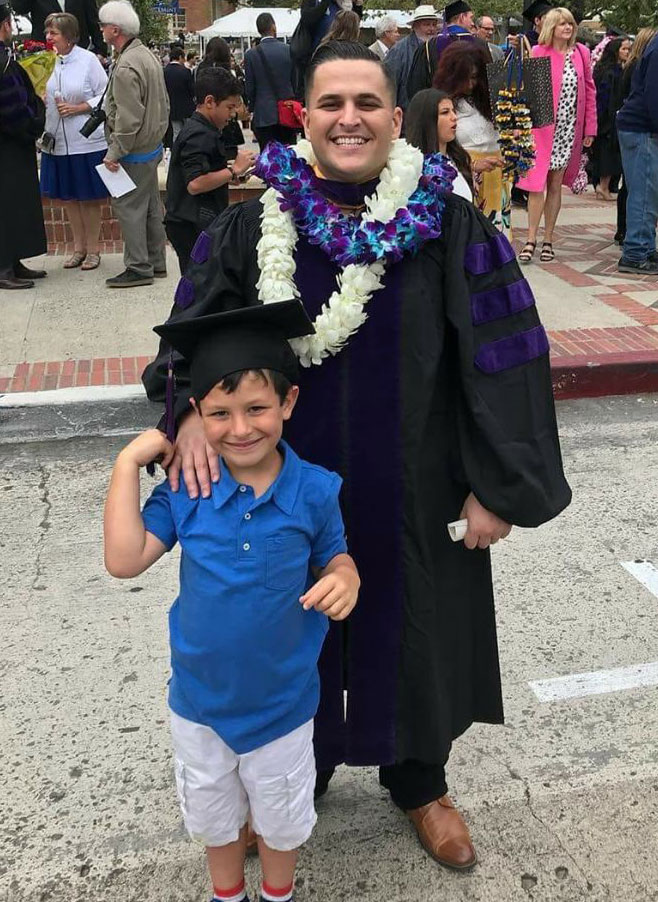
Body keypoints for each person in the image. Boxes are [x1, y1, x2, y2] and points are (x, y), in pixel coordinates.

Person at [143, 40, 571, 871]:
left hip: (419, 476)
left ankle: (421, 781)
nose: (350, 118)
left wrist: (495, 488)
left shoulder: (445, 221)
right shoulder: (255, 221)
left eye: (367, 103)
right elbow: (189, 329)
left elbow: (506, 352)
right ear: (304, 115)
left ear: (391, 114)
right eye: (331, 103)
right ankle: (300, 767)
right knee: (289, 619)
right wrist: (187, 410)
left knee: (420, 627)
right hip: (281, 491)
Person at [105, 299, 360, 902]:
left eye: (256, 409)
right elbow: (124, 559)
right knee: (215, 821)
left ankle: (277, 894)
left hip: (283, 707)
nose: (240, 428)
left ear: (288, 404)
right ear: (197, 413)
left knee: (281, 819)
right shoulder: (187, 489)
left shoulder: (316, 491)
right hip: (198, 704)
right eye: (219, 413)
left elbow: (337, 556)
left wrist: (346, 577)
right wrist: (125, 464)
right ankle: (228, 896)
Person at [516, 8, 596, 265]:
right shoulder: (539, 53)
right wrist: (520, 126)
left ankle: (548, 239)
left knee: (555, 184)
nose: (567, 28)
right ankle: (530, 238)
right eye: (562, 23)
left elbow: (589, 91)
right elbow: (526, 93)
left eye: (570, 23)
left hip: (568, 130)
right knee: (535, 183)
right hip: (540, 130)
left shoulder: (581, 53)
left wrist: (590, 128)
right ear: (551, 26)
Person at [99, 0, 169, 288]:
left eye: (104, 26)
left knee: (128, 207)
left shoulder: (126, 64)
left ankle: (139, 267)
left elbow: (128, 120)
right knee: (151, 206)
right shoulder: (146, 55)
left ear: (115, 30)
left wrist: (114, 151)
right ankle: (156, 262)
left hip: (134, 149)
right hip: (151, 145)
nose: (101, 30)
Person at [164, 69, 256, 275]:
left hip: (191, 220)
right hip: (190, 223)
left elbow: (205, 173)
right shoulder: (199, 134)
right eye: (229, 107)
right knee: (198, 281)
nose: (232, 115)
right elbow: (195, 184)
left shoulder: (203, 130)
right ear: (209, 102)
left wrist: (232, 175)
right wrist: (233, 170)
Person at [40, 12, 108, 272]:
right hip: (55, 140)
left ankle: (93, 250)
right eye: (47, 32)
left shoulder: (88, 60)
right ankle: (77, 248)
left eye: (53, 33)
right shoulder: (45, 61)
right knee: (68, 198)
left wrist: (80, 107)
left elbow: (104, 95)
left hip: (86, 141)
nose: (48, 37)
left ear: (68, 36)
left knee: (89, 198)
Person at [434, 42, 510, 234]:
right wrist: (471, 165)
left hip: (496, 177)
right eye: (464, 79)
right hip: (463, 178)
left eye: (475, 77)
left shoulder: (491, 99)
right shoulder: (443, 104)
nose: (470, 84)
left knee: (496, 238)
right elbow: (436, 153)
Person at [0, 2, 47, 290]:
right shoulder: (2, 62)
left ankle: (13, 261)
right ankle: (4, 267)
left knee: (13, 206)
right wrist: (36, 118)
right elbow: (13, 109)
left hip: (9, 146)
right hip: (8, 147)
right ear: (5, 24)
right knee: (7, 206)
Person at [616, 29, 658, 274]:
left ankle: (645, 247)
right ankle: (635, 252)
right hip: (642, 128)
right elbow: (655, 96)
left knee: (648, 192)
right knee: (643, 192)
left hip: (640, 127)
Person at [406, 1, 488, 106]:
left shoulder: (427, 47)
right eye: (471, 18)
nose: (472, 23)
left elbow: (415, 87)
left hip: (438, 112)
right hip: (473, 111)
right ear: (462, 17)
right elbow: (489, 84)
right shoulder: (480, 45)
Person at [406, 87, 474, 201]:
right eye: (445, 112)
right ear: (427, 120)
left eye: (453, 111)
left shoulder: (457, 158)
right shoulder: (414, 168)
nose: (454, 117)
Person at [245, 13, 297, 152]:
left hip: (263, 113)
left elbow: (250, 87)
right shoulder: (288, 50)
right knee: (289, 154)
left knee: (267, 156)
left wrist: (251, 108)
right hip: (287, 110)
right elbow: (295, 81)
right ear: (273, 26)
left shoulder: (251, 54)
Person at [590, 37, 629, 201]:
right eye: (624, 49)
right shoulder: (612, 73)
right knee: (608, 153)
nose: (627, 52)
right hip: (608, 119)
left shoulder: (602, 69)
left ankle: (601, 185)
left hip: (603, 118)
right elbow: (607, 98)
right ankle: (604, 187)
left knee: (603, 152)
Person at [384, 4, 439, 110]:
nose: (431, 29)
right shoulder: (399, 50)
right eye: (427, 24)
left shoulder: (437, 48)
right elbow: (389, 86)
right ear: (415, 26)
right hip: (406, 115)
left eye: (434, 24)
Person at [12, 0, 105, 54]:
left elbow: (93, 19)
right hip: (45, 54)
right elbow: (19, 8)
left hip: (80, 49)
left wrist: (101, 51)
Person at [164, 45, 195, 145]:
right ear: (180, 57)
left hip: (172, 108)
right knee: (189, 133)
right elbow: (192, 90)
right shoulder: (185, 71)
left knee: (176, 133)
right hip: (187, 108)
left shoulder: (164, 71)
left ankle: (177, 154)